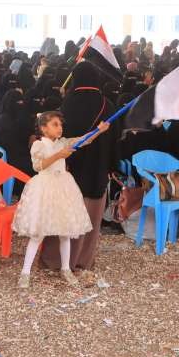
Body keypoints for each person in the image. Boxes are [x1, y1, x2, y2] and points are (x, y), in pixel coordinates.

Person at [14, 111, 107, 288]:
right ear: (43, 128)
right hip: (44, 187)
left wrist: (99, 130)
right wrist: (59, 155)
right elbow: (38, 166)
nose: (60, 128)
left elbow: (82, 139)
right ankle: (25, 272)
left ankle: (66, 269)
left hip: (64, 186)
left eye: (61, 125)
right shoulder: (38, 145)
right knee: (37, 234)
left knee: (65, 232)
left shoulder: (63, 142)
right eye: (55, 124)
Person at [42, 62, 110, 272]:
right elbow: (115, 137)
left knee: (64, 213)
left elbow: (58, 136)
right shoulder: (107, 104)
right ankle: (83, 259)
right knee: (91, 213)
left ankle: (55, 260)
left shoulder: (67, 104)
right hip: (98, 166)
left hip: (70, 165)